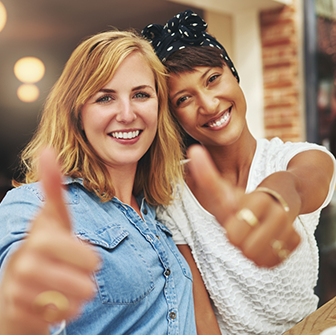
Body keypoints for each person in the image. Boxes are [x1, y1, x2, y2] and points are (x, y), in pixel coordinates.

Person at [0, 30, 203, 335]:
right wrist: (17, 313)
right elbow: (19, 303)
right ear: (77, 113)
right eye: (105, 97)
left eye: (141, 94)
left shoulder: (158, 204)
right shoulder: (33, 206)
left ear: (158, 106)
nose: (127, 114)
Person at [142, 10, 336, 335]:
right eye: (184, 98)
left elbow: (300, 183)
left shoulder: (300, 157)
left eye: (213, 79)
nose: (208, 104)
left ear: (233, 74)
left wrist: (274, 198)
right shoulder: (169, 192)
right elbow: (199, 312)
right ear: (173, 117)